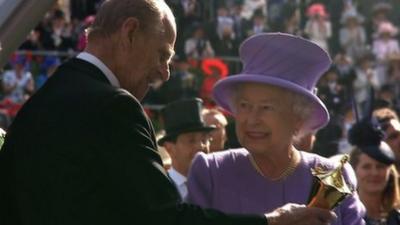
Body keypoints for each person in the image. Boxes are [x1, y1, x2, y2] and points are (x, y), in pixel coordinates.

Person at [0, 1, 337, 224]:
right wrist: (273, 221)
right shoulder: (112, 106)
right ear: (130, 32)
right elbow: (163, 220)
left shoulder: (55, 91)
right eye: (162, 55)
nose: (164, 73)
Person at [186, 33, 365, 224]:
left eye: (266, 107)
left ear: (297, 118)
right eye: (245, 105)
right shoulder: (210, 173)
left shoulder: (332, 178)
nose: (252, 119)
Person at [348, 112, 400, 224]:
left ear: (390, 172)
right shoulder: (344, 218)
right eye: (366, 167)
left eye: (380, 166)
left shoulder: (397, 217)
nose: (374, 172)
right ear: (353, 171)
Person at [158, 98, 215, 199]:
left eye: (204, 140)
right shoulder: (160, 189)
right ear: (169, 148)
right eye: (191, 140)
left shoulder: (219, 183)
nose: (201, 146)